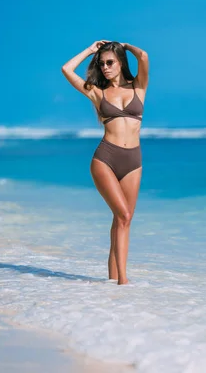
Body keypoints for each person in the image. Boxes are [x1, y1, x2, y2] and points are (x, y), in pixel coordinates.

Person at [62, 40, 149, 285]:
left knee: (123, 219)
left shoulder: (139, 87)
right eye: (102, 64)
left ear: (121, 63)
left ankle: (112, 283)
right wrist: (90, 50)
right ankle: (123, 281)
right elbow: (67, 69)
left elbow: (143, 56)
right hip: (106, 159)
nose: (105, 68)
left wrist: (125, 46)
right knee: (122, 215)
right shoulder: (97, 92)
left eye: (110, 62)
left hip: (133, 160)